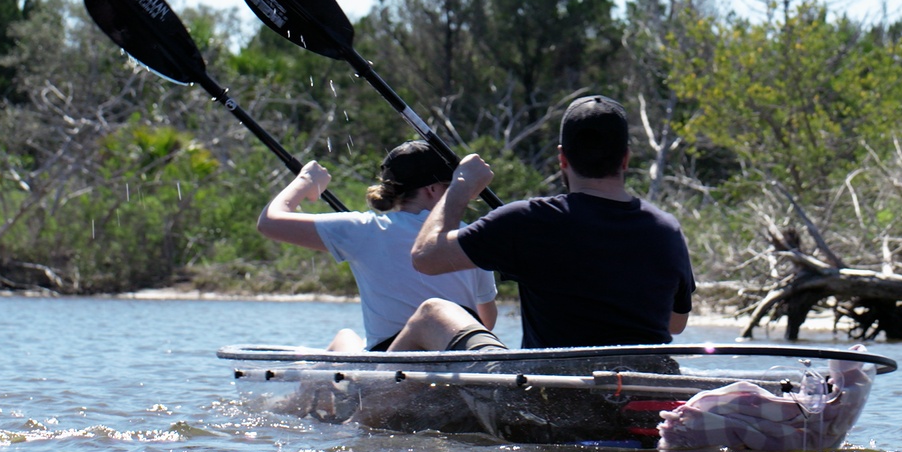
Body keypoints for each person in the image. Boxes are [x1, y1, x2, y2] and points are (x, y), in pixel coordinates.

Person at [403, 95, 694, 350]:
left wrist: (460, 187)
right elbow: (675, 323)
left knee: (432, 313)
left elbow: (426, 257)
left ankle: (366, 410)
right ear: (626, 159)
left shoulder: (527, 221)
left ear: (562, 159)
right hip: (644, 393)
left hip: (550, 400)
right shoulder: (667, 229)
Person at [256, 140, 498, 351]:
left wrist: (306, 181)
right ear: (433, 190)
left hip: (393, 365)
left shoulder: (365, 229)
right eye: (451, 186)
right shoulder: (472, 235)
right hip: (455, 355)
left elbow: (269, 222)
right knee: (347, 339)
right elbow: (485, 322)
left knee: (345, 339)